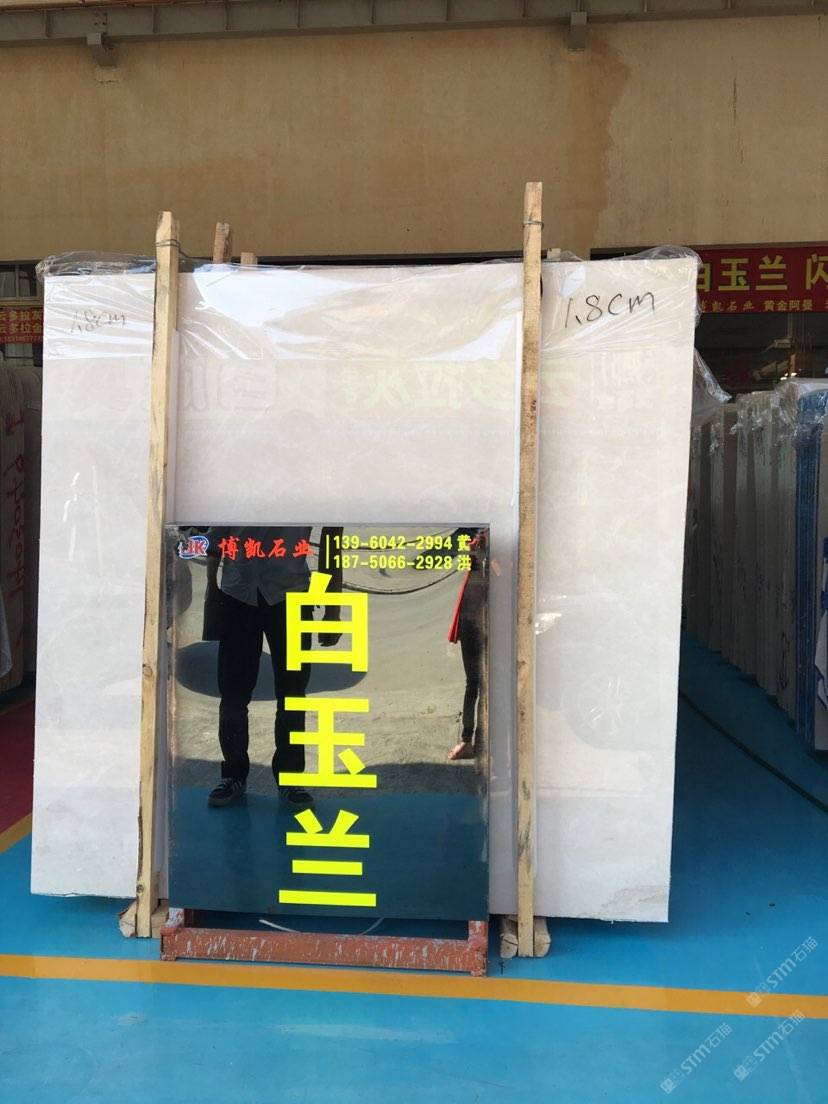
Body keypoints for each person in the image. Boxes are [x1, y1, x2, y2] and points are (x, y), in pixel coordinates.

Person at [202, 525, 342, 808]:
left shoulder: (316, 496)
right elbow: (218, 535)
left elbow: (331, 545)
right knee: (233, 693)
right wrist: (212, 587)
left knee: (292, 694)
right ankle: (233, 775)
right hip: (237, 594)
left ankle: (290, 779)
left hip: (291, 596)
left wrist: (332, 610)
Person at [447, 529, 487, 761]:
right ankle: (470, 741)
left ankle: (474, 742)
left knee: (479, 686)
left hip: (480, 624)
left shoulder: (482, 552)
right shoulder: (479, 552)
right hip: (473, 625)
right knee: (477, 685)